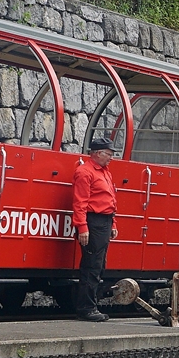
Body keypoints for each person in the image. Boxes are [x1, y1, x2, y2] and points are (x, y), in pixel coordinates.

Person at [72, 135, 119, 321]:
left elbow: (111, 200)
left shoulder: (105, 172)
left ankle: (91, 305)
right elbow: (80, 202)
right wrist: (82, 226)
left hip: (104, 221)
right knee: (92, 265)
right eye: (108, 153)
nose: (111, 157)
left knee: (99, 265)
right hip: (93, 221)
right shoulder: (85, 172)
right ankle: (86, 308)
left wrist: (113, 223)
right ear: (97, 153)